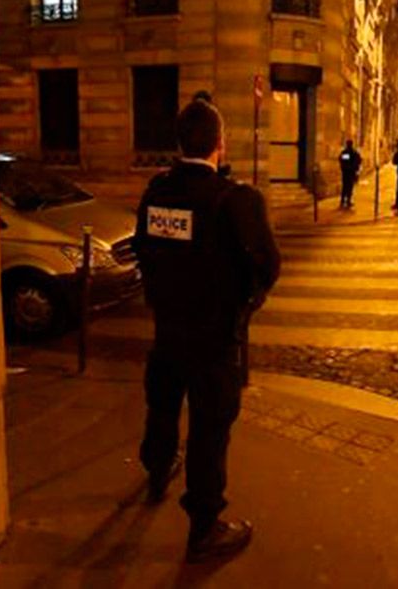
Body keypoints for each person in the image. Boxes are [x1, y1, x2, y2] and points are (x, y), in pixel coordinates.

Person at [132, 99, 281, 563]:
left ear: (180, 143)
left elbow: (143, 249)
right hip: (214, 340)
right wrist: (245, 300)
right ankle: (203, 527)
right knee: (209, 432)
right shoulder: (237, 199)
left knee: (161, 407)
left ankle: (157, 472)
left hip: (168, 332)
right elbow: (268, 266)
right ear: (221, 144)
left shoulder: (156, 193)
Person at [338, 140, 362, 208]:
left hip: (347, 172)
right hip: (350, 172)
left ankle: (344, 201)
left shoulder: (347, 152)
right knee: (349, 187)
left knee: (345, 187)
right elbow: (357, 161)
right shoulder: (352, 152)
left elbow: (344, 161)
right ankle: (346, 201)